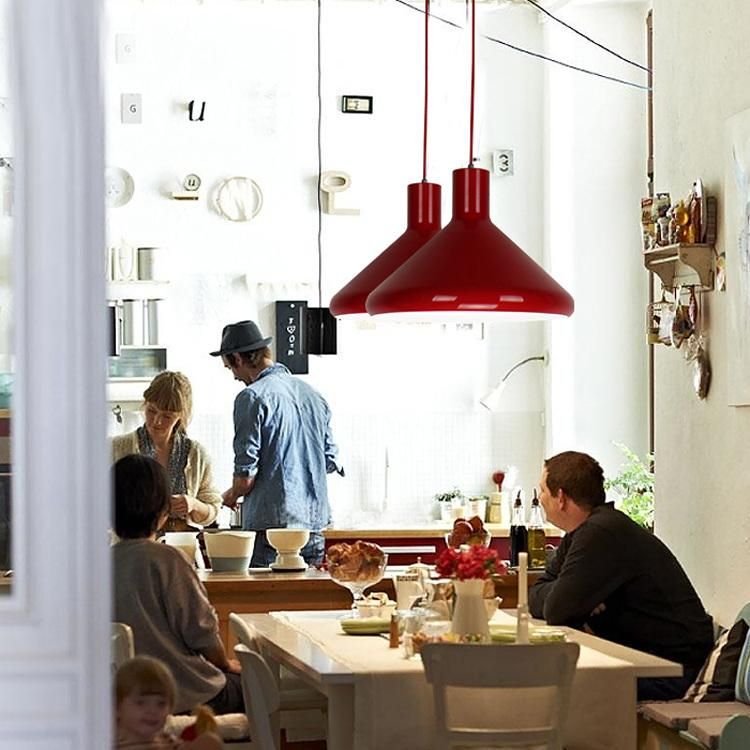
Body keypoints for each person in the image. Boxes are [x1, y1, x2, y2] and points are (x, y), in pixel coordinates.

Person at [529, 450, 713, 701]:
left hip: (674, 672)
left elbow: (556, 610)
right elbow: (538, 595)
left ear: (560, 497)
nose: (539, 498)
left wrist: (575, 597)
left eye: (542, 490)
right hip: (643, 661)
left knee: (553, 687)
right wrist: (575, 595)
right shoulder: (581, 532)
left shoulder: (601, 532)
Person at [113, 454, 244, 715]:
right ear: (163, 511)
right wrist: (225, 664)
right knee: (251, 685)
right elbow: (201, 632)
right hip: (183, 695)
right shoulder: (169, 559)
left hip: (123, 702)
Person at [210, 320, 343, 567]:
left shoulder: (251, 397)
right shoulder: (313, 395)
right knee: (306, 602)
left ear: (238, 358)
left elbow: (245, 477)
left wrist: (230, 495)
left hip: (272, 531)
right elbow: (328, 461)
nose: (235, 377)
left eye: (230, 368)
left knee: (267, 602)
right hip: (314, 526)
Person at [112, 371, 222, 531]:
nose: (156, 421)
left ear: (181, 417)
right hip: (134, 549)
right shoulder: (117, 448)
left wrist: (193, 504)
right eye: (151, 411)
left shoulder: (196, 454)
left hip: (181, 545)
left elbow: (212, 510)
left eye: (167, 416)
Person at [115, 656, 224, 750]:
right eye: (140, 702)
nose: (152, 710)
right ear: (117, 707)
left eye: (161, 704)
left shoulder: (169, 742)